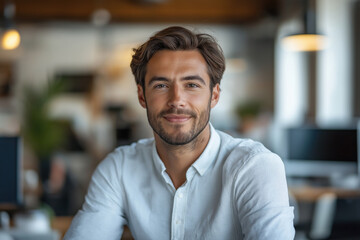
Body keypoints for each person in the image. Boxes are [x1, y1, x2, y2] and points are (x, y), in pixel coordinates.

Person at [64, 26, 295, 240]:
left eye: (192, 85)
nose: (176, 100)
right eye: (161, 85)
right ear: (142, 96)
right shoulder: (119, 169)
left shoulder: (254, 167)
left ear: (214, 95)